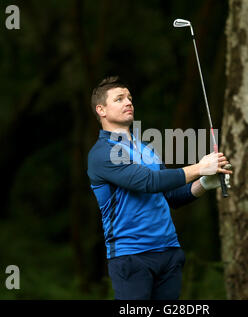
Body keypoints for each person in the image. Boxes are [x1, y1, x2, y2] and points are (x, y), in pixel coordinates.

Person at [87, 76, 232, 300]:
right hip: (131, 256)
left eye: (130, 98)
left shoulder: (146, 149)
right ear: (101, 110)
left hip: (168, 253)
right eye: (119, 99)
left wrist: (203, 183)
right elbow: (148, 182)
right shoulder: (102, 153)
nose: (128, 102)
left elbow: (172, 196)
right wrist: (200, 168)